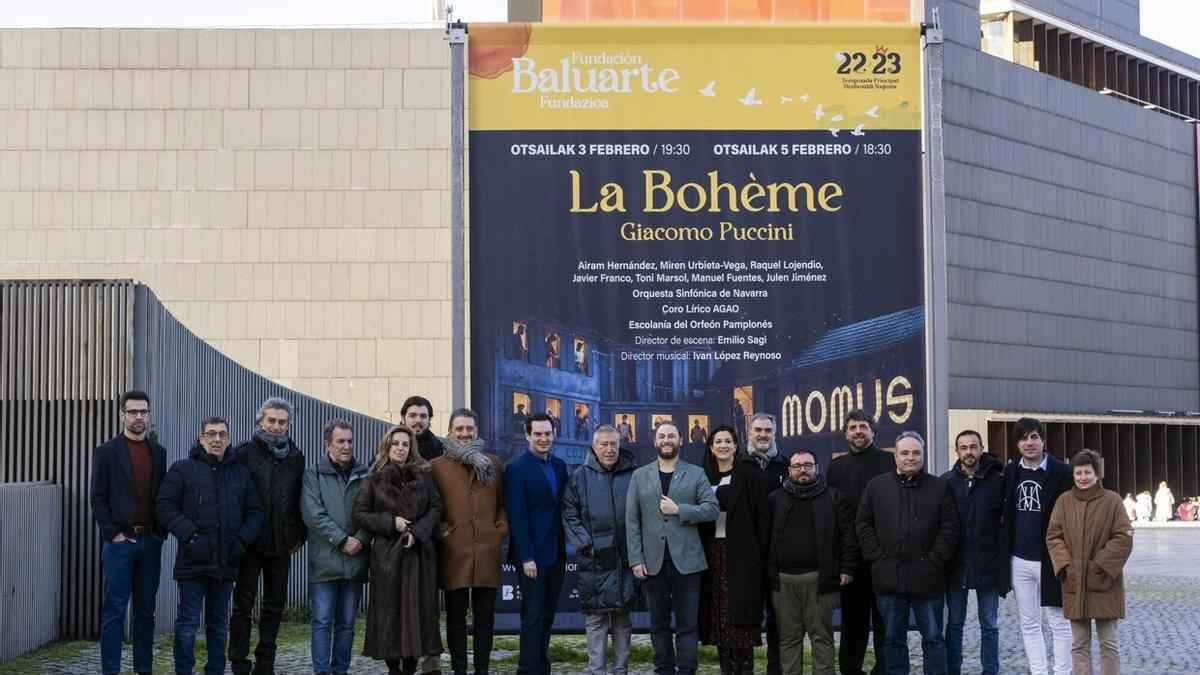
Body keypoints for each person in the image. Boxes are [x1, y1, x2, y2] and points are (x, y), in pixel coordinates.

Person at [157, 417, 263, 675]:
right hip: (193, 561)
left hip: (226, 561)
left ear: (229, 439)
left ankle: (215, 669)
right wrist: (191, 537)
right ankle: (184, 670)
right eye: (212, 434)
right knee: (188, 623)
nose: (217, 439)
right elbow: (164, 506)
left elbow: (255, 512)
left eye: (223, 435)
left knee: (218, 623)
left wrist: (240, 542)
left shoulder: (240, 473)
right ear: (201, 438)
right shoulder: (182, 469)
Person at [856, 431, 959, 675]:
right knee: (892, 639)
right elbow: (863, 524)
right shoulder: (876, 486)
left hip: (928, 578)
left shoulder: (939, 487)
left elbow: (950, 527)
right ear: (896, 456)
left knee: (933, 638)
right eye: (905, 453)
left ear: (923, 455)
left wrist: (935, 561)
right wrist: (877, 557)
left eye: (916, 453)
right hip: (888, 577)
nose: (910, 458)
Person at [626, 421, 720, 675]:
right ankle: (664, 669)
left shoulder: (696, 473)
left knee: (688, 624)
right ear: (655, 442)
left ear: (680, 440)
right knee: (658, 624)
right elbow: (632, 520)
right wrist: (636, 559)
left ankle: (687, 670)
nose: (666, 440)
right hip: (652, 563)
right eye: (661, 436)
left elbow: (712, 509)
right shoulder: (640, 475)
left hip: (688, 563)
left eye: (671, 436)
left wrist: (680, 510)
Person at [353, 425, 443, 675]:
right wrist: (391, 522)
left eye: (405, 444)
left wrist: (417, 533)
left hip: (420, 555)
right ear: (387, 446)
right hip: (387, 558)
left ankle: (412, 667)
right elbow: (360, 514)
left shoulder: (424, 475)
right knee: (389, 616)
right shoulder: (373, 476)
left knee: (420, 614)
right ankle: (394, 669)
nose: (400, 448)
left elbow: (435, 508)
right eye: (396, 443)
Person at [91, 390, 168, 675]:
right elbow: (97, 498)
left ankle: (143, 670)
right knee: (114, 612)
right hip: (121, 544)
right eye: (133, 412)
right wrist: (114, 534)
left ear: (149, 415)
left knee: (146, 614)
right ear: (121, 415)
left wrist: (161, 534)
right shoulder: (107, 451)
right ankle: (110, 670)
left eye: (143, 412)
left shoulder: (158, 453)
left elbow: (161, 497)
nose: (138, 417)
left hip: (151, 542)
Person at [229, 397, 307, 675]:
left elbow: (301, 498)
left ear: (288, 425)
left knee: (274, 606)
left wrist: (300, 534)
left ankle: (265, 663)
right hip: (250, 543)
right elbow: (233, 497)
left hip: (281, 543)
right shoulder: (243, 453)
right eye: (271, 420)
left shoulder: (296, 457)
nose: (276, 426)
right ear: (260, 420)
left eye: (282, 422)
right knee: (243, 605)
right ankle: (238, 661)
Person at [431, 408, 509, 675]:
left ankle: (482, 670)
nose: (465, 433)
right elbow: (433, 506)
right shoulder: (437, 466)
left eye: (469, 429)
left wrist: (499, 529)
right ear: (450, 431)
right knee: (455, 618)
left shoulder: (493, 463)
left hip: (487, 549)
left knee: (485, 618)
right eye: (459, 429)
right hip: (454, 550)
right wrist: (444, 531)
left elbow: (502, 504)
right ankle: (459, 670)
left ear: (477, 431)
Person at [768, 449, 858, 675]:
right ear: (789, 471)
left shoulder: (834, 497)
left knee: (821, 637)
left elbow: (848, 535)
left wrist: (847, 567)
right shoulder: (775, 499)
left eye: (808, 465)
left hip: (820, 579)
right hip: (783, 581)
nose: (802, 470)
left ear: (818, 468)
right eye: (797, 466)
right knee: (788, 638)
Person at [1046, 449, 1133, 675]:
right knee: (1079, 644)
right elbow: (1053, 536)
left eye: (1087, 472)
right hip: (1074, 583)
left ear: (1097, 474)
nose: (1083, 477)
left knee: (1108, 643)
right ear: (1073, 475)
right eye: (1078, 473)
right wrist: (1067, 566)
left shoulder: (1112, 501)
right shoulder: (1064, 501)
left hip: (1106, 583)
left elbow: (1123, 537)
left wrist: (1099, 566)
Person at [562, 425, 640, 675]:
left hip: (625, 558)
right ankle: (597, 671)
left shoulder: (633, 474)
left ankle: (621, 671)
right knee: (595, 619)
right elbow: (569, 512)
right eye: (603, 444)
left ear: (620, 445)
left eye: (613, 444)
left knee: (622, 619)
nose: (609, 449)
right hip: (593, 559)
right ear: (594, 447)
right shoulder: (578, 476)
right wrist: (585, 543)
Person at [1000, 417, 1074, 675]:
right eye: (1023, 438)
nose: (1029, 443)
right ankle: (1039, 671)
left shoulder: (1063, 473)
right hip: (1019, 560)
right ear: (1017, 443)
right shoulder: (1011, 472)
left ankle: (1062, 672)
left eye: (1034, 437)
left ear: (1043, 440)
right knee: (1029, 623)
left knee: (1059, 621)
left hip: (1051, 559)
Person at [301, 420, 372, 675]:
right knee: (321, 622)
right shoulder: (313, 475)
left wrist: (361, 539)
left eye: (350, 441)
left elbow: (372, 511)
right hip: (325, 563)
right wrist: (342, 540)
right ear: (327, 444)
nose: (347, 446)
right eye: (341, 441)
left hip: (355, 560)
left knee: (347, 624)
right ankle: (322, 671)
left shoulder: (366, 473)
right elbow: (313, 514)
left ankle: (340, 670)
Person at [826, 409, 894, 675]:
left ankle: (884, 669)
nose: (858, 432)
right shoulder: (836, 467)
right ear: (845, 433)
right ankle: (851, 670)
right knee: (852, 621)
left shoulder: (890, 462)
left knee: (884, 620)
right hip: (850, 557)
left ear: (873, 432)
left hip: (882, 554)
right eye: (853, 427)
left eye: (863, 427)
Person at [698, 425, 770, 675]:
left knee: (740, 620)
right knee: (719, 619)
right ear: (711, 447)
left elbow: (762, 518)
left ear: (736, 446)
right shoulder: (704, 476)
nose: (723, 445)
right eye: (718, 441)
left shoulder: (750, 475)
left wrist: (759, 555)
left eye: (728, 441)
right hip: (713, 556)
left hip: (742, 555)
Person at [505, 412, 570, 675]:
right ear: (527, 436)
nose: (543, 438)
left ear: (554, 435)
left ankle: (542, 667)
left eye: (548, 433)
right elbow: (517, 517)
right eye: (538, 434)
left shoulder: (560, 466)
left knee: (547, 615)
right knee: (532, 617)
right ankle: (528, 668)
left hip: (556, 553)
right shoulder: (516, 469)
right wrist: (526, 557)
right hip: (531, 557)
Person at [941, 430, 1005, 675]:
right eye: (963, 447)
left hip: (988, 564)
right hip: (956, 565)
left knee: (989, 624)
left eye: (973, 446)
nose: (969, 451)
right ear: (956, 451)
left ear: (981, 448)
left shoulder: (997, 481)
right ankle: (952, 670)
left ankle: (990, 671)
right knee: (954, 623)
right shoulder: (946, 481)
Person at [738, 412, 788, 674]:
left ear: (775, 434)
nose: (763, 435)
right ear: (749, 433)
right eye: (758, 430)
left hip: (779, 555)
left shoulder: (787, 466)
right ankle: (744, 668)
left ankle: (775, 668)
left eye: (768, 430)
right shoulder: (738, 465)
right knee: (746, 615)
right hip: (747, 555)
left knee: (778, 618)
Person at [402, 395, 444, 461]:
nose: (418, 420)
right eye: (412, 416)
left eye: (423, 416)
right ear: (403, 418)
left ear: (429, 419)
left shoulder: (440, 449)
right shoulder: (390, 446)